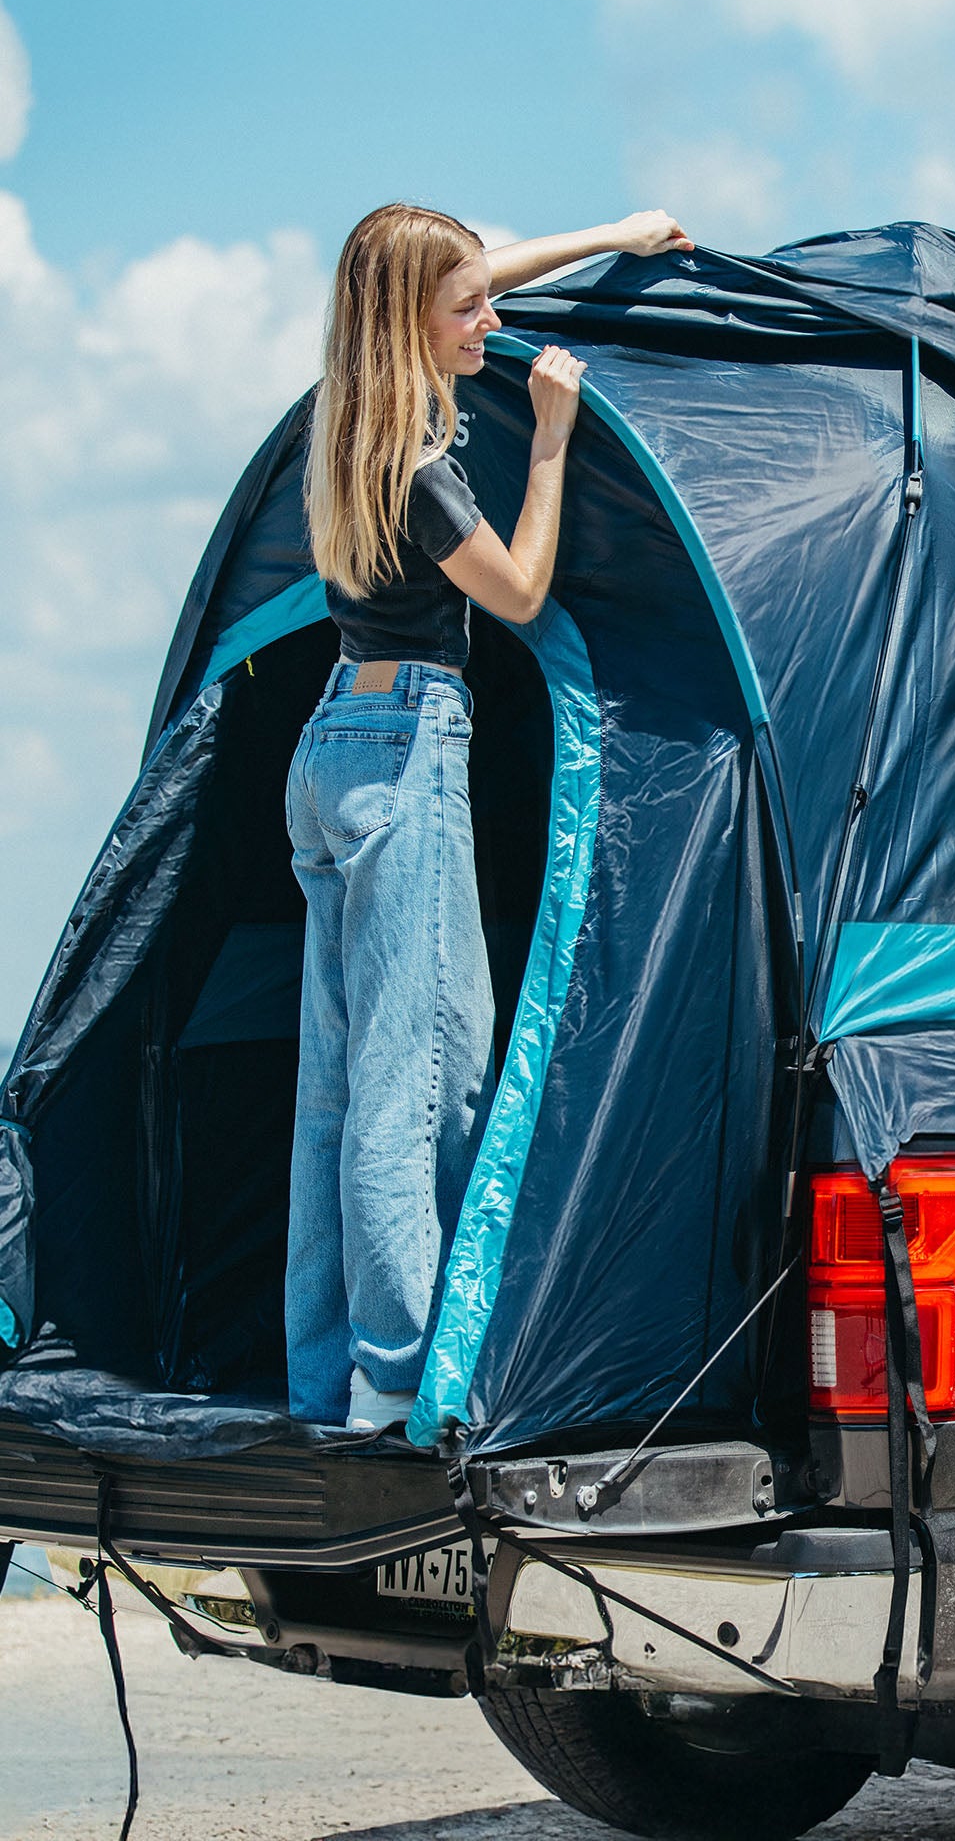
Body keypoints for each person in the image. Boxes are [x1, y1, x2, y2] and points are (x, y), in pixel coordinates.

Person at [287, 201, 692, 1432]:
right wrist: (556, 435)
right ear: (413, 320)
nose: (493, 320)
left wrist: (613, 231)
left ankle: (322, 1380)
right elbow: (517, 594)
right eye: (468, 310)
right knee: (419, 1089)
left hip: (328, 743)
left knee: (339, 1090)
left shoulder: (342, 414)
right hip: (406, 743)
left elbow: (468, 274)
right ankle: (396, 1387)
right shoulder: (415, 466)